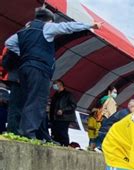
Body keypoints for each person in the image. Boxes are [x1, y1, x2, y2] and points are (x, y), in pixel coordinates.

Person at [4, 7, 101, 140]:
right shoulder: (46, 27)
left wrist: (25, 54)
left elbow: (9, 43)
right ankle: (28, 133)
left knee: (27, 100)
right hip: (39, 68)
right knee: (37, 100)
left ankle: (22, 131)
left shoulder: (24, 30)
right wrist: (91, 25)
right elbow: (67, 27)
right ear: (49, 20)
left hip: (25, 68)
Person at [1, 47, 22, 135]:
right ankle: (13, 131)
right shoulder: (13, 46)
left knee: (16, 108)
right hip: (15, 79)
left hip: (11, 83)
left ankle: (14, 130)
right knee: (14, 108)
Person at [49, 79, 76, 146]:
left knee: (62, 133)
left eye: (55, 84)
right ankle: (56, 144)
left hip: (64, 118)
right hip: (55, 118)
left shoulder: (68, 94)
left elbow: (73, 105)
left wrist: (63, 110)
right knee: (54, 132)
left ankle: (65, 145)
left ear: (60, 85)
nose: (54, 85)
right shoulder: (55, 95)